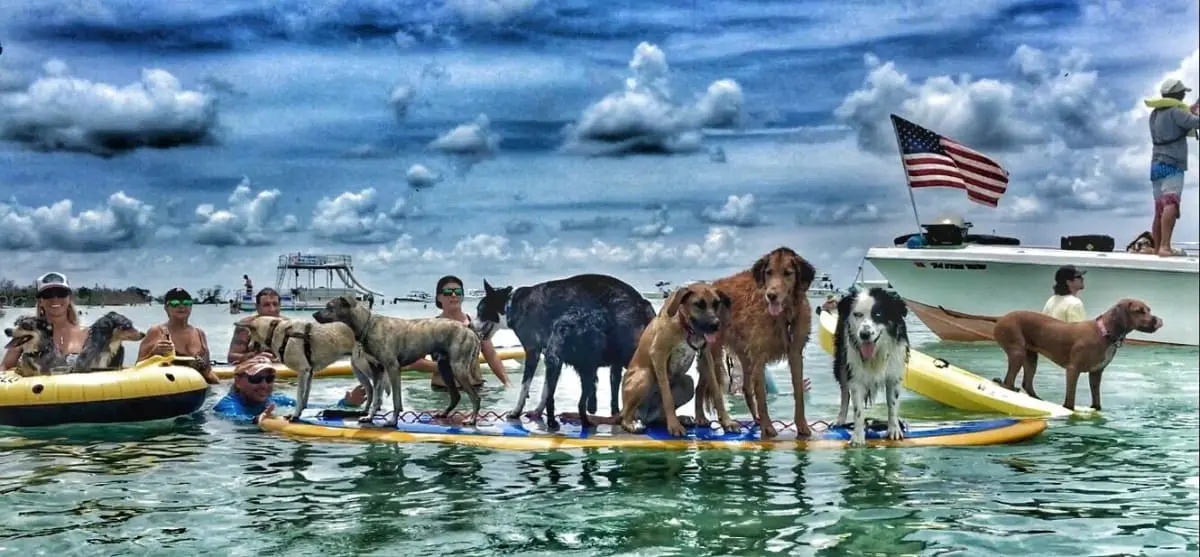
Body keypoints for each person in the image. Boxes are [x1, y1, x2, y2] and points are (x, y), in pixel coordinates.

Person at [407, 275, 510, 390]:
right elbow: (414, 361)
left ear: (462, 296)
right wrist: (441, 367)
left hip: (477, 389)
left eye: (458, 291)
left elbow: (491, 355)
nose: (454, 295)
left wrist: (507, 382)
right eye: (447, 292)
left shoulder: (474, 324)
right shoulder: (430, 327)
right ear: (439, 297)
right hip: (443, 394)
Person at [1146, 78, 1200, 258]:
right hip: (1173, 163)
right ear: (1178, 94)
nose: (1184, 95)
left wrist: (1192, 110)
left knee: (1159, 206)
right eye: (1183, 93)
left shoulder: (1155, 114)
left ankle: (1157, 247)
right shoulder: (1176, 112)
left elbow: (1182, 120)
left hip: (1156, 164)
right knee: (1171, 202)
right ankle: (1165, 247)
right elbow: (1195, 123)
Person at [1, 272, 91, 371]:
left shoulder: (88, 334)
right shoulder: (25, 335)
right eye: (47, 294)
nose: (55, 299)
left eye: (61, 293)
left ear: (69, 298)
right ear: (40, 301)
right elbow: (4, 368)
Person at [136, 288, 219, 384]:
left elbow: (208, 371)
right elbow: (138, 366)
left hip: (200, 388)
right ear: (166, 308)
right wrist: (154, 353)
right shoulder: (157, 331)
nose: (181, 306)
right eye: (175, 303)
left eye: (186, 302)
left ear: (191, 306)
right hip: (169, 388)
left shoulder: (200, 334)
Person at [212, 355, 295, 423]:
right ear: (238, 381)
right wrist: (258, 420)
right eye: (256, 379)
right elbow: (237, 420)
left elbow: (304, 407)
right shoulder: (228, 406)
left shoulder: (274, 400)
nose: (264, 385)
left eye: (269, 379)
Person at [226, 287, 283, 364]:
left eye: (275, 304)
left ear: (280, 306)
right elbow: (231, 357)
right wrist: (254, 356)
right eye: (266, 305)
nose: (272, 309)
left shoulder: (287, 325)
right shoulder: (246, 326)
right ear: (257, 307)